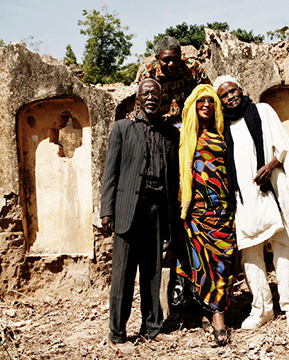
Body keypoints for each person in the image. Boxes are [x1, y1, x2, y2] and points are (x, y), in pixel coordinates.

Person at [214, 75, 289, 330]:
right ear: (219, 101)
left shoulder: (263, 111)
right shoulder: (222, 126)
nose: (230, 96)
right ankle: (262, 309)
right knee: (250, 251)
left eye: (232, 91)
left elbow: (283, 146)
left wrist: (271, 166)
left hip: (273, 188)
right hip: (243, 197)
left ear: (241, 89)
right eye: (224, 95)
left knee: (283, 247)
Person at [100, 78, 180, 351]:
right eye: (146, 93)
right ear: (138, 98)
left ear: (162, 99)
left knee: (152, 272)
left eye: (155, 93)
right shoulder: (122, 128)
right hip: (127, 209)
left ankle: (152, 328)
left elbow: (174, 177)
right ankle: (117, 334)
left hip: (158, 210)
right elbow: (110, 172)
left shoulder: (171, 134)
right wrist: (106, 210)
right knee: (123, 275)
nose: (151, 97)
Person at [177, 84, 235, 346]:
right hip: (196, 212)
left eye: (211, 101)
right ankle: (209, 313)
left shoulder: (223, 136)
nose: (206, 105)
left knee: (224, 263)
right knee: (201, 266)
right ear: (192, 106)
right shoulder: (183, 136)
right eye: (201, 101)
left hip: (222, 211)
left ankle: (219, 314)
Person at [136, 36, 211, 125]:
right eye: (166, 60)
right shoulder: (148, 75)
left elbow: (209, 94)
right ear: (157, 59)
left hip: (190, 123)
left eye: (175, 59)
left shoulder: (193, 68)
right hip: (160, 126)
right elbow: (140, 106)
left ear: (180, 55)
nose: (171, 64)